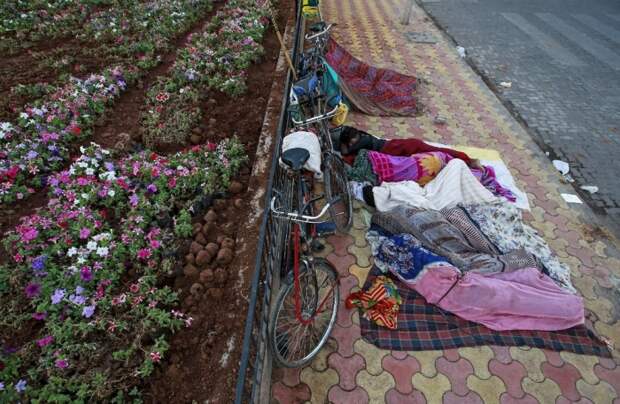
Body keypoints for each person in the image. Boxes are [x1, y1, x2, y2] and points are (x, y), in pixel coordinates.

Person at [338, 126, 478, 167]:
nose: (352, 144)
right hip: (405, 147)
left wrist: (345, 148)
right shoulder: (364, 140)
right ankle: (466, 160)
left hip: (407, 147)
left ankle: (468, 160)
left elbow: (346, 154)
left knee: (438, 152)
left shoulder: (364, 140)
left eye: (351, 141)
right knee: (438, 156)